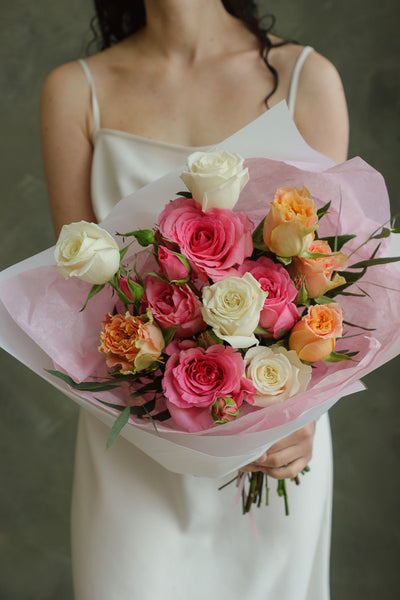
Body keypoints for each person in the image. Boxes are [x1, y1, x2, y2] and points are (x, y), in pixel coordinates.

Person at [40, 1, 349, 598]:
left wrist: (305, 414)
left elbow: (324, 280)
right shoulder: (75, 92)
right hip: (131, 449)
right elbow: (76, 302)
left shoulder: (308, 79)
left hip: (273, 438)